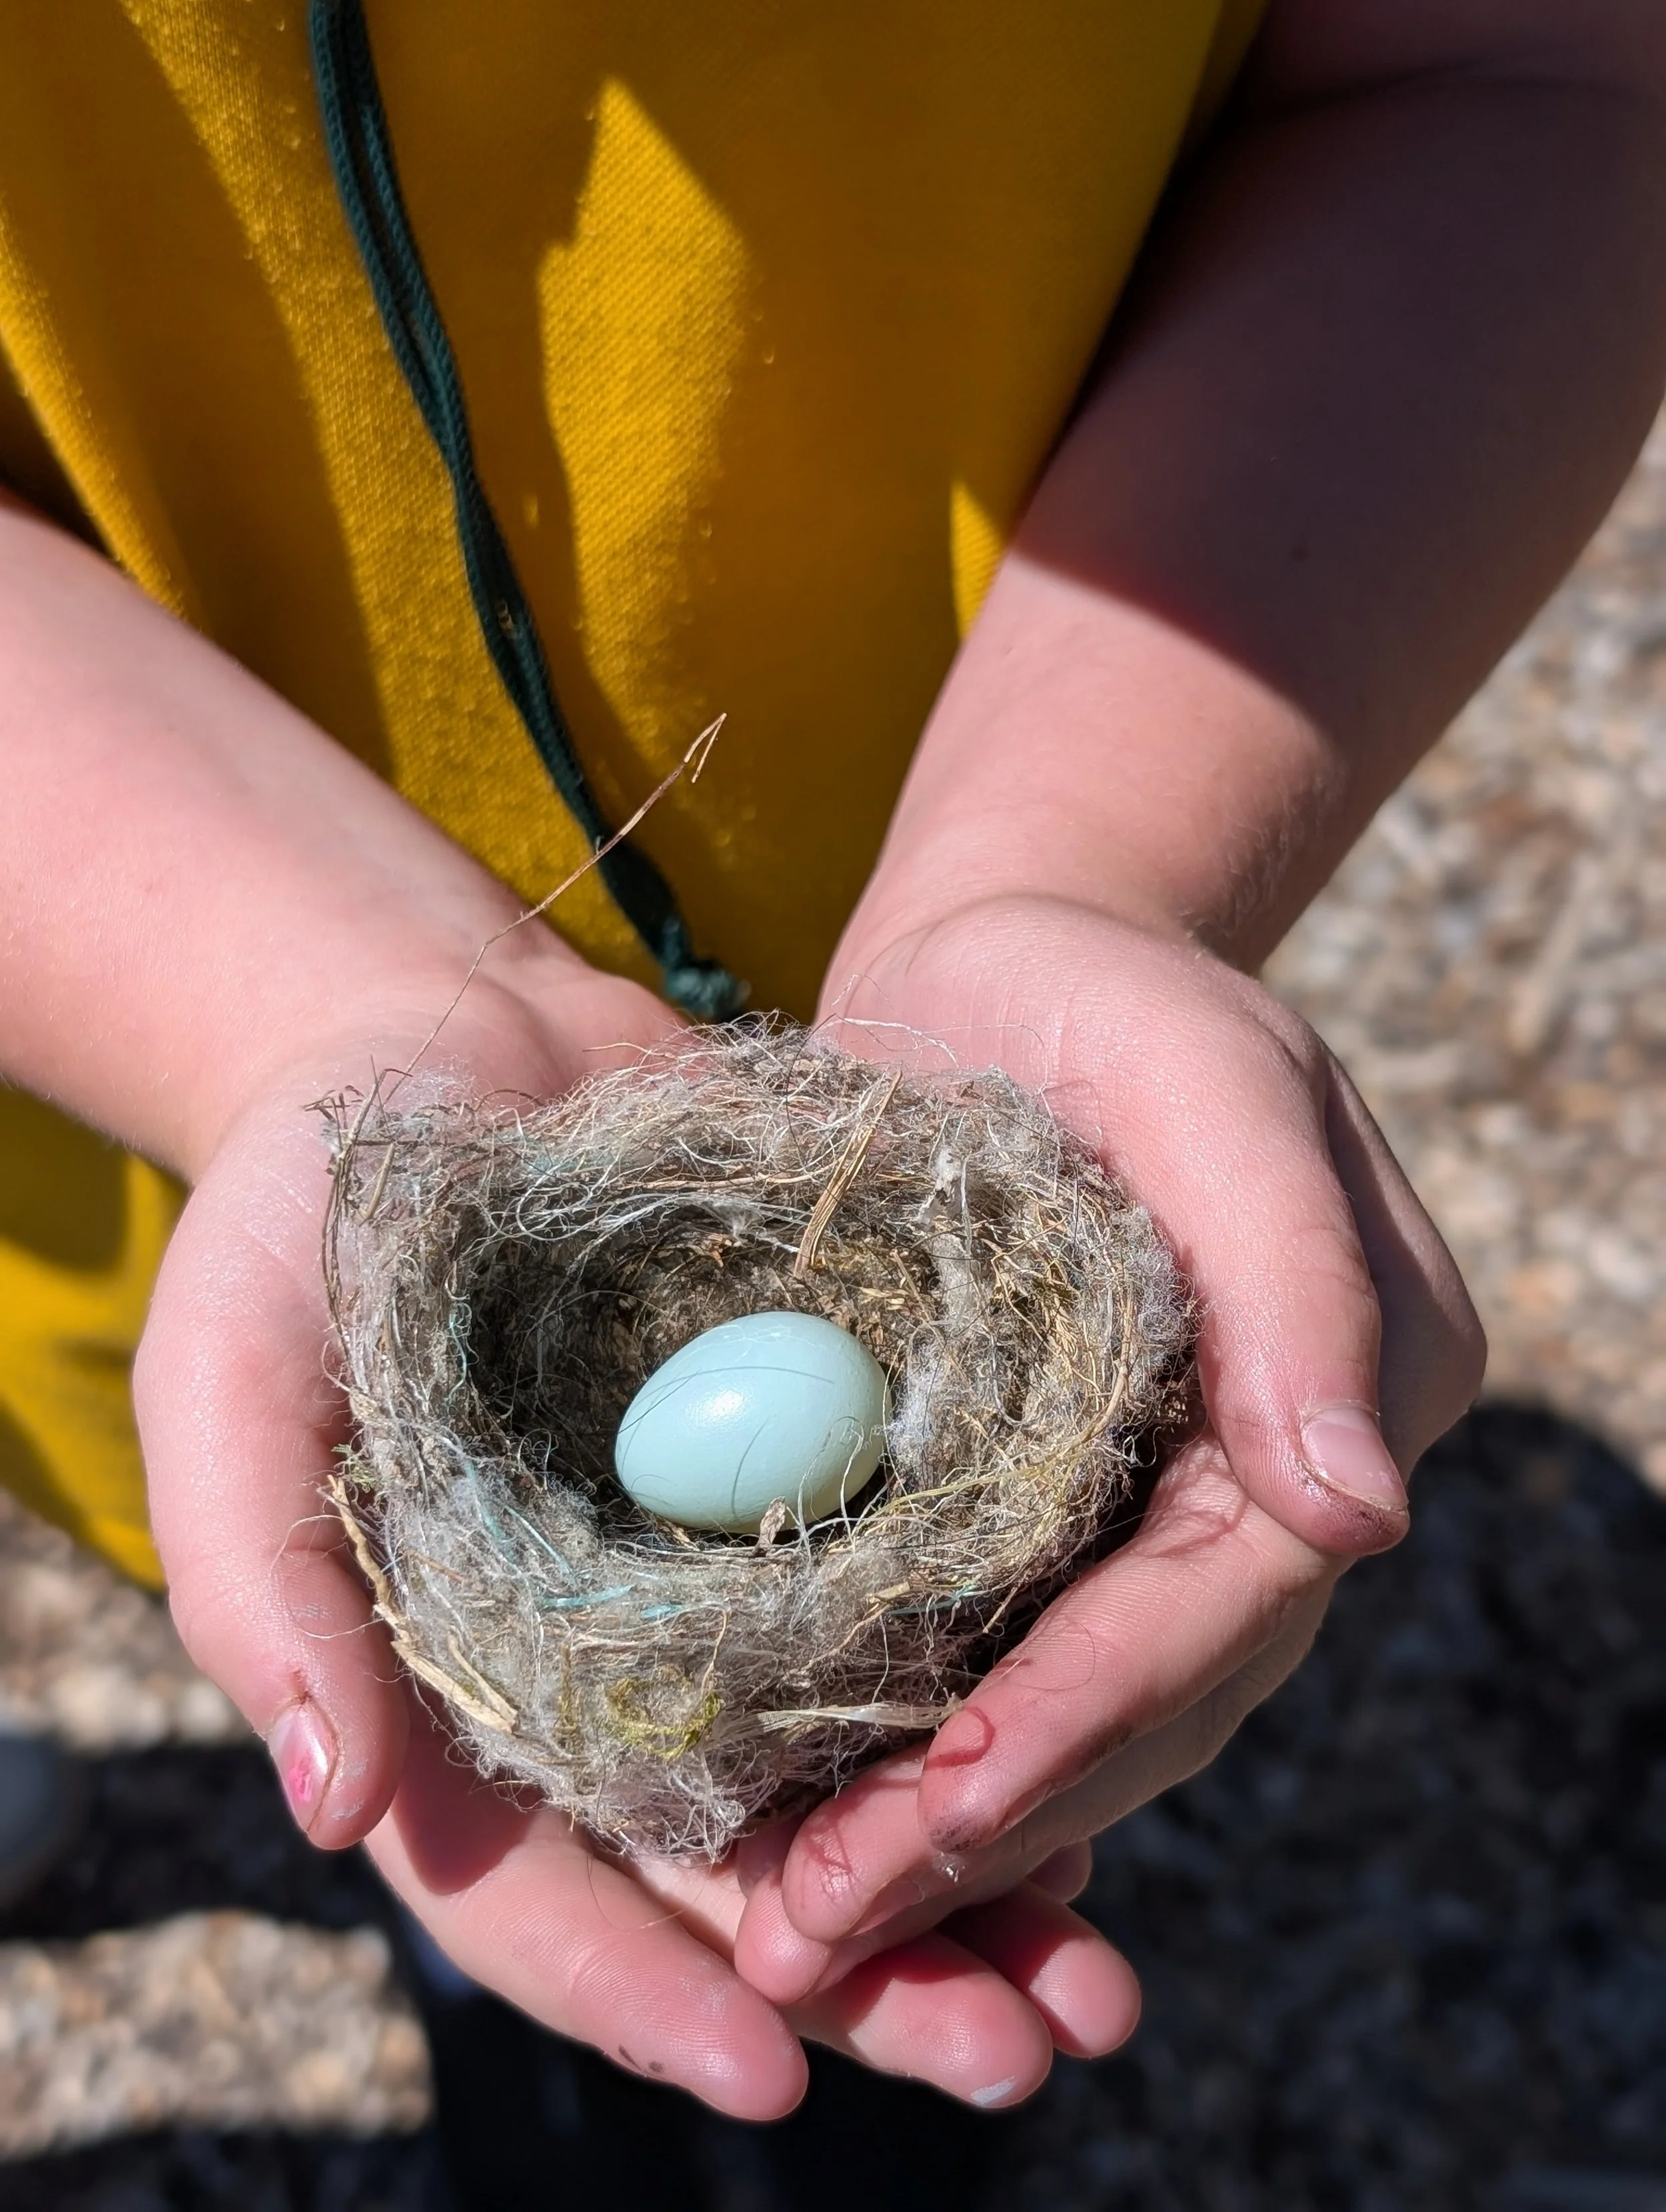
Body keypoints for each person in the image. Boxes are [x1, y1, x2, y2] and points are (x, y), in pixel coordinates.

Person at [0, 0, 1661, 2118]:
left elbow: (1510, 69)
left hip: (999, 804)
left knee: (861, 1870)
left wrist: (1068, 864)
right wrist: (281, 1011)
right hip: (127, 1055)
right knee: (402, 1641)